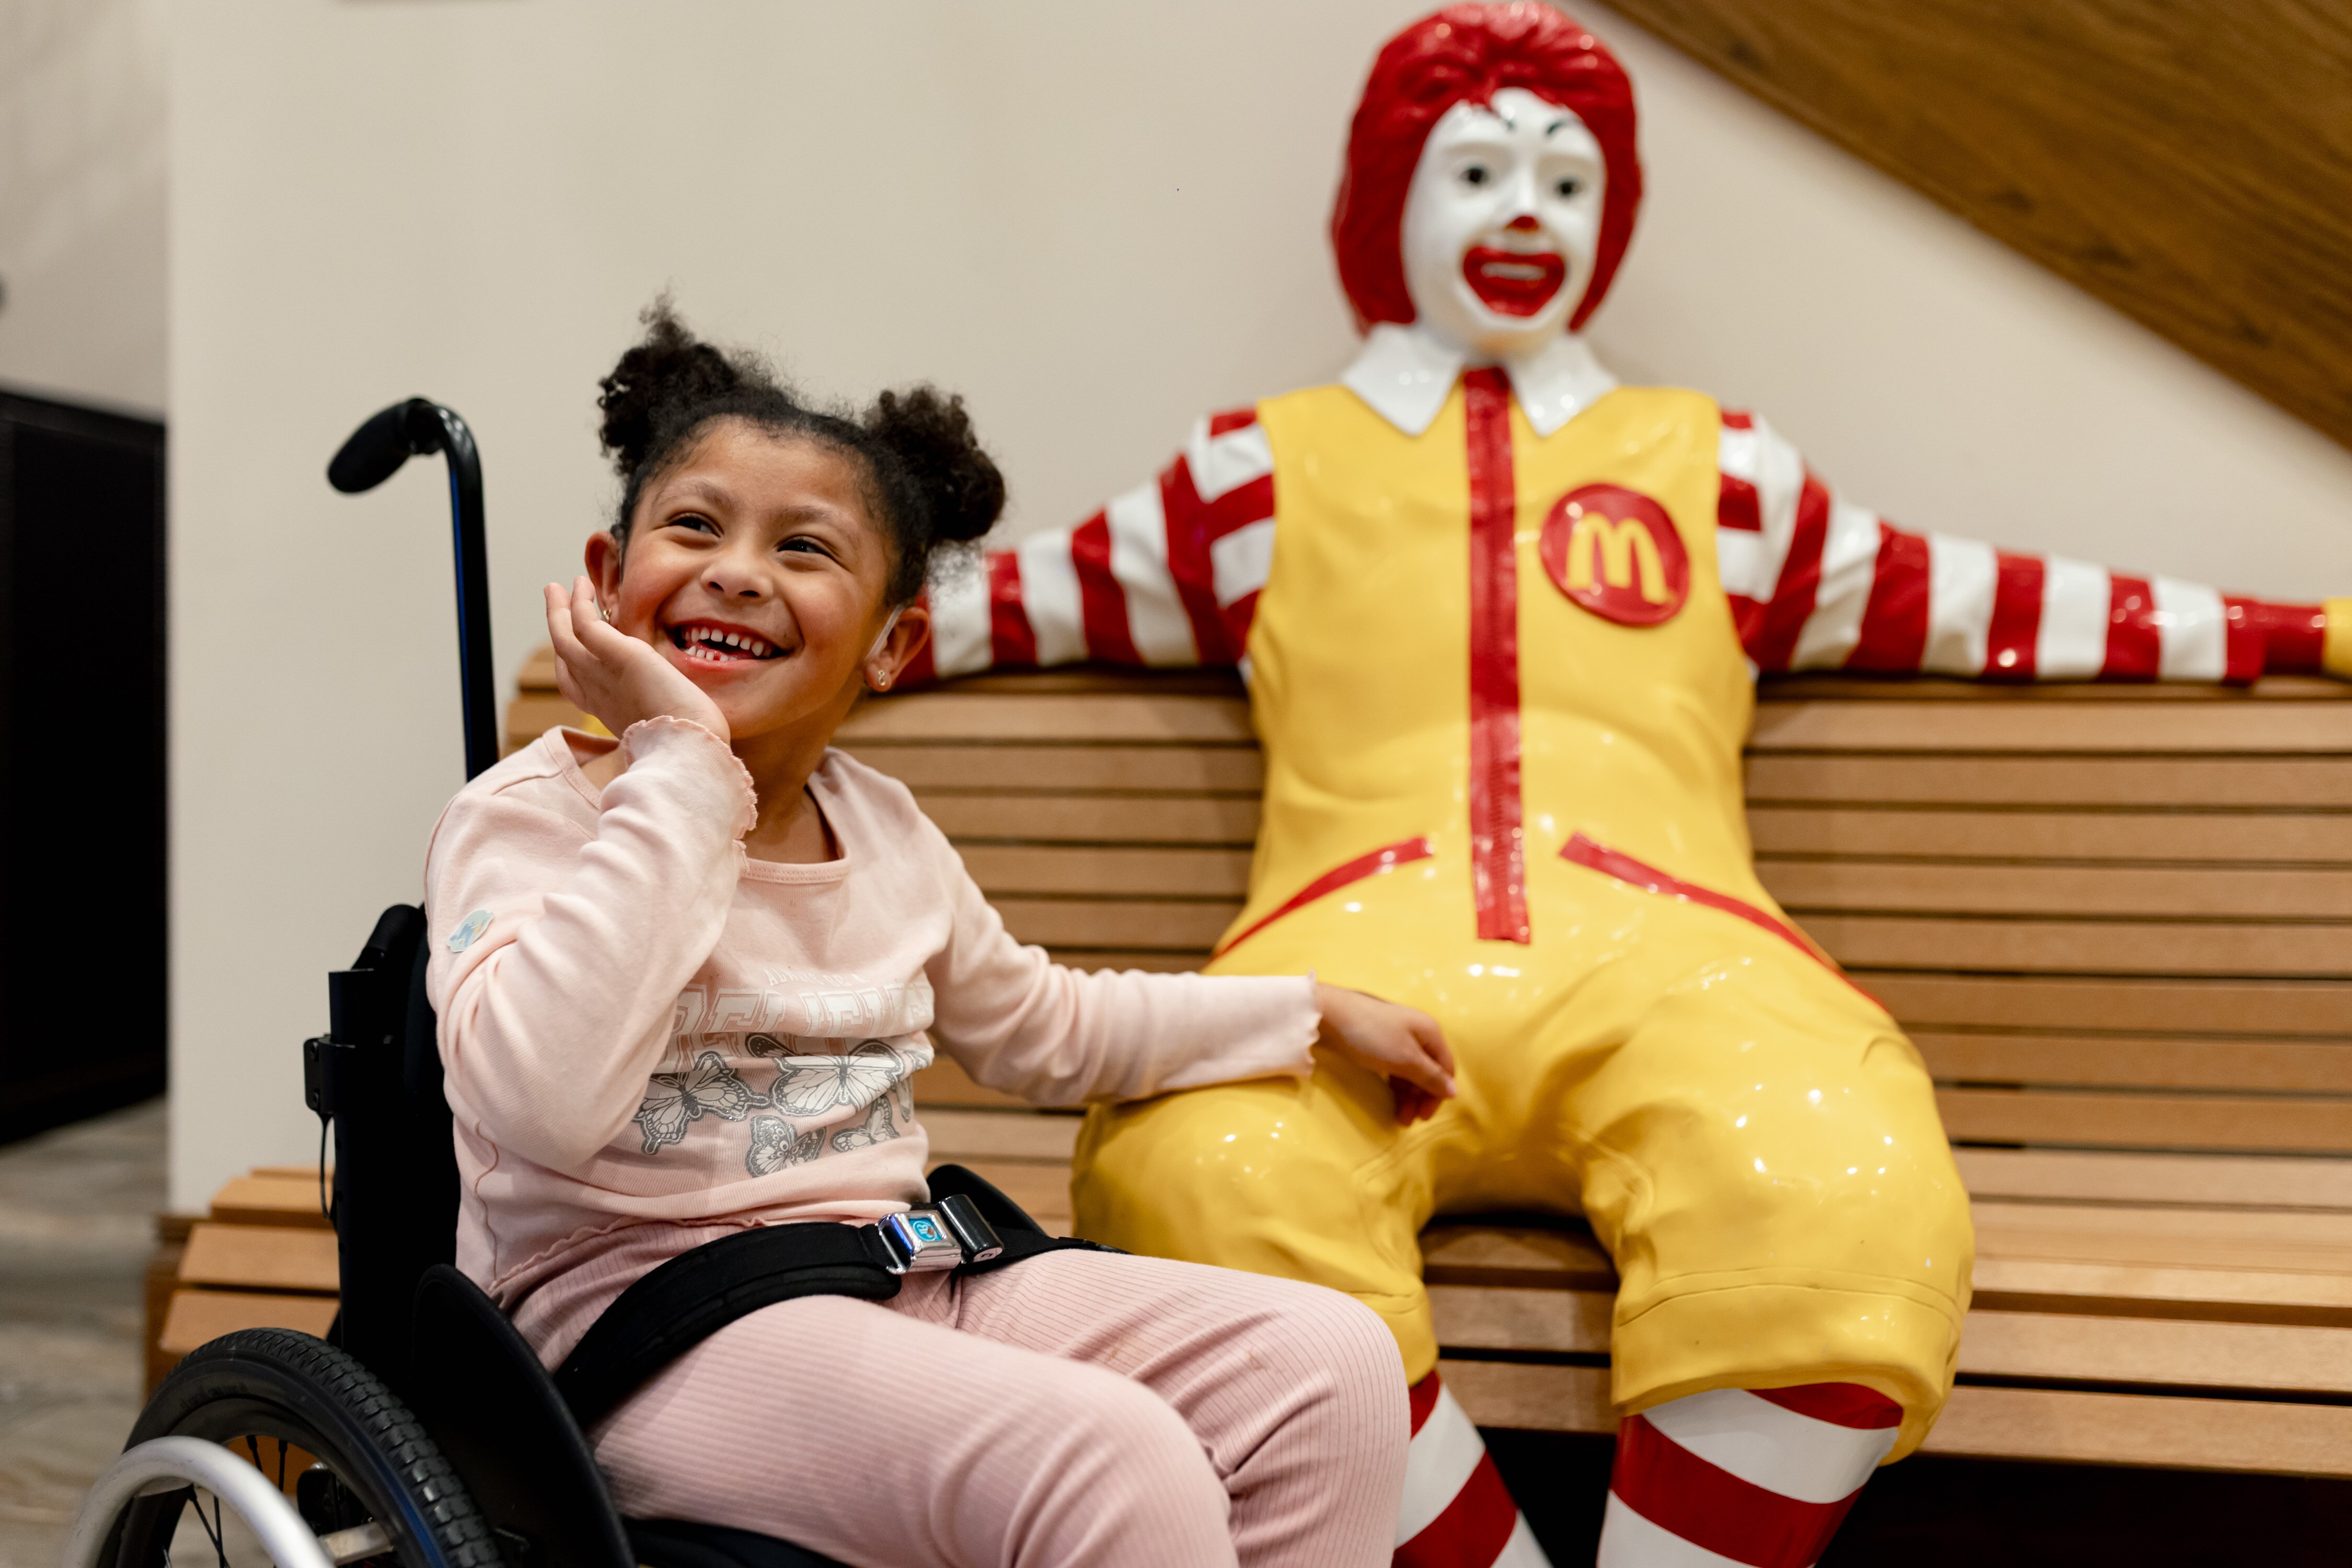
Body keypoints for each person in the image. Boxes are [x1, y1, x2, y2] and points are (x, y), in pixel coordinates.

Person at [921, 6, 2352, 1567]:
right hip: (1340, 974)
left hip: (1689, 960)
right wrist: (714, 632)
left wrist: (2295, 632)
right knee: (1192, 1167)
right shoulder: (1252, 475)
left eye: (1566, 180)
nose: (1524, 211)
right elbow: (989, 606)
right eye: (1475, 172)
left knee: (1841, 1174)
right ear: (1390, 195)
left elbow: (1988, 600)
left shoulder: (1721, 471)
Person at [421, 305, 1458, 1568]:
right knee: (1108, 1459)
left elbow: (1050, 1028)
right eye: (694, 526)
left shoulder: (887, 829)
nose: (739, 569)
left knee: (1329, 1365)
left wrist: (1305, 1013)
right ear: (605, 581)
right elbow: (539, 1100)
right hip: (635, 1335)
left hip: (891, 1274)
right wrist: (683, 765)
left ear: (896, 641)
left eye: (805, 548)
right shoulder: (530, 820)